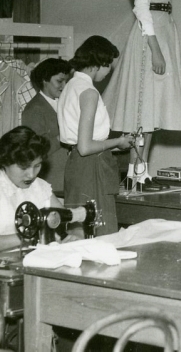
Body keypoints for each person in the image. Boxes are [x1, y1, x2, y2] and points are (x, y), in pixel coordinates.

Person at [103, 0, 181, 182]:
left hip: (161, 28)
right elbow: (140, 7)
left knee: (150, 112)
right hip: (149, 35)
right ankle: (135, 172)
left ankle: (140, 172)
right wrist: (155, 50)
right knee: (142, 110)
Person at [58, 36, 135, 236]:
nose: (109, 71)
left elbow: (79, 142)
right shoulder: (89, 92)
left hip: (77, 166)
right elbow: (85, 146)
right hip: (91, 168)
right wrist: (118, 141)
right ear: (98, 64)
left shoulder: (70, 87)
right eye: (108, 66)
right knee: (100, 232)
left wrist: (117, 146)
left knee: (79, 232)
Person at [0, 126, 69, 251]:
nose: (31, 175)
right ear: (5, 162)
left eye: (37, 165)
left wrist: (75, 232)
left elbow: (66, 219)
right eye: (23, 167)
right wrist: (28, 236)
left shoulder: (39, 186)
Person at [21, 58, 72, 194]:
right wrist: (62, 136)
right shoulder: (34, 109)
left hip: (68, 180)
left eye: (66, 81)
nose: (64, 85)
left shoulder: (63, 103)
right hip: (51, 183)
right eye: (59, 81)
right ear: (45, 80)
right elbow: (36, 150)